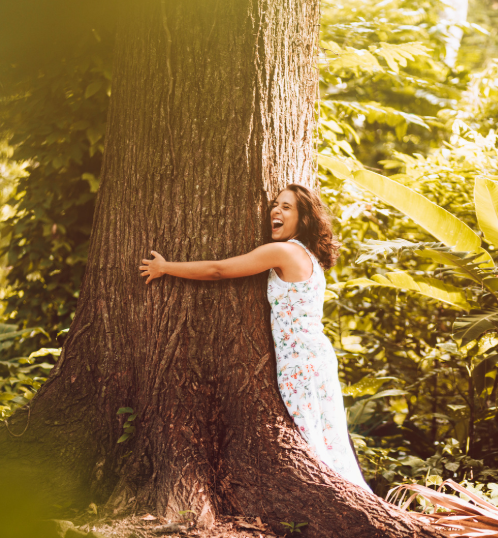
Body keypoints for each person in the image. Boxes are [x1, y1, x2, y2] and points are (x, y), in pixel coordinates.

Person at [138, 184, 371, 491]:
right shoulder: (308, 256)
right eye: (275, 205)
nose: (276, 210)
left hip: (301, 362)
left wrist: (166, 267)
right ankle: (350, 497)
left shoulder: (284, 251)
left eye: (287, 207)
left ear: (304, 220)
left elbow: (219, 270)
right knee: (329, 441)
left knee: (313, 441)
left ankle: (340, 503)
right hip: (315, 357)